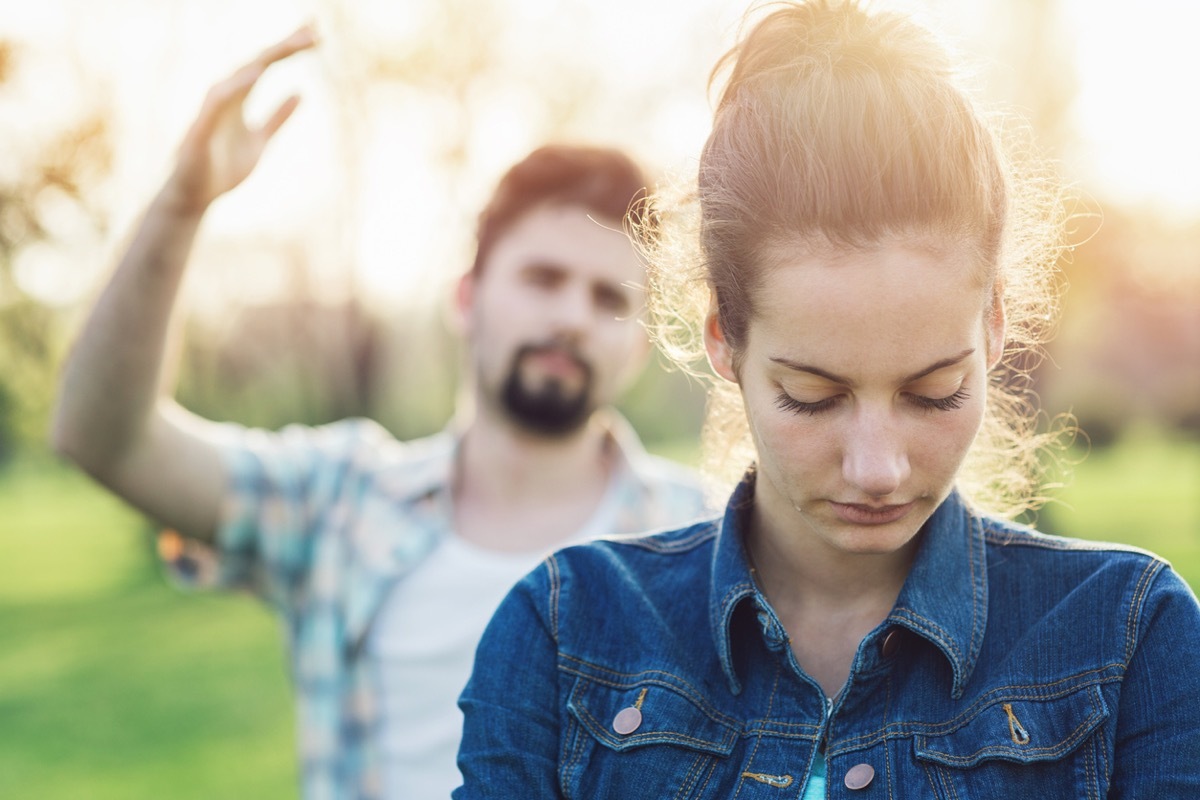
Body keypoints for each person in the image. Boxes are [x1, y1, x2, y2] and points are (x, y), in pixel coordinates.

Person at [455, 1, 1200, 796]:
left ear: (994, 329)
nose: (877, 467)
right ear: (722, 338)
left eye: (934, 392)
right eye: (812, 396)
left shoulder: (1129, 637)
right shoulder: (564, 633)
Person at [50, 26, 709, 800]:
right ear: (466, 296)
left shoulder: (703, 540)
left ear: (638, 345)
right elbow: (105, 438)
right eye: (542, 276)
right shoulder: (338, 501)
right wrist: (181, 203)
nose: (571, 315)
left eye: (609, 299)